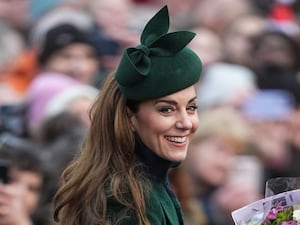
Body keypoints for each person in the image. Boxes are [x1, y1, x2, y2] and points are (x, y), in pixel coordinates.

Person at [53, 5, 202, 225]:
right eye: (166, 109)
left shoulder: (150, 183)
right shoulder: (125, 199)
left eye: (191, 107)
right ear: (129, 117)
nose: (185, 123)